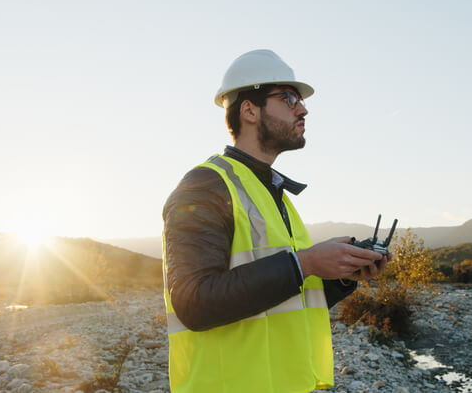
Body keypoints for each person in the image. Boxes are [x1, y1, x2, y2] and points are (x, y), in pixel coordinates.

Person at [162, 49, 391, 392]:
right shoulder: (205, 187)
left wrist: (341, 275)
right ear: (249, 110)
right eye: (289, 98)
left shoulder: (271, 192)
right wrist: (306, 262)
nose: (303, 109)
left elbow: (286, 298)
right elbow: (194, 303)